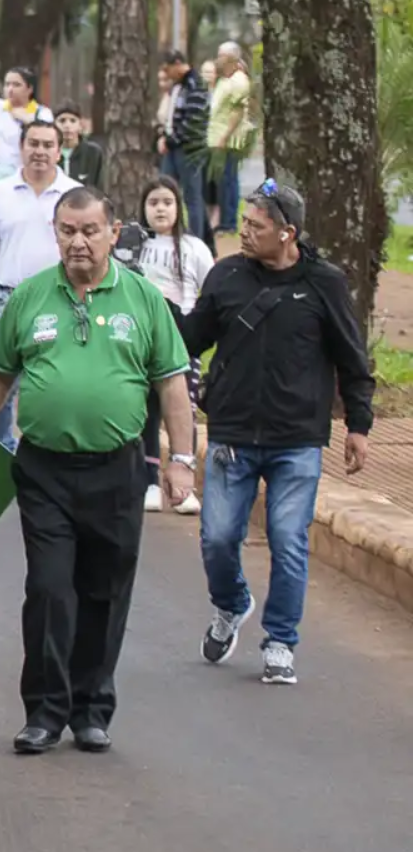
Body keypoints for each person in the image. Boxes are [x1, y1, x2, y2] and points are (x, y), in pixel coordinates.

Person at [0, 186, 196, 755]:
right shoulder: (32, 297)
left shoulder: (142, 299)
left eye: (90, 230)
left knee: (104, 591)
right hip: (44, 471)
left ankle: (92, 709)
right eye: (67, 230)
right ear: (55, 233)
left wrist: (180, 461)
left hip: (117, 470)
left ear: (114, 232)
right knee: (48, 588)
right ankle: (44, 711)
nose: (78, 241)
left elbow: (172, 386)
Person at [180, 180, 373, 687]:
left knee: (289, 541)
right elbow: (190, 337)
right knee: (219, 538)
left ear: (287, 233)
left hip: (297, 439)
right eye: (244, 222)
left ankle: (281, 641)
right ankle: (231, 605)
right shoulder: (226, 277)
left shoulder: (324, 284)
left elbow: (353, 358)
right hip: (232, 435)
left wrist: (359, 425)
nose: (245, 232)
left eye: (256, 226)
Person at [0, 120, 79, 447]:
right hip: (8, 297)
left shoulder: (75, 195)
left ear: (59, 150)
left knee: (56, 378)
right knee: (1, 381)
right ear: (21, 148)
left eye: (48, 145)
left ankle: (49, 445)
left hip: (61, 298)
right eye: (33, 143)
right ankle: (0, 448)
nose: (40, 151)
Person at [120, 176, 214, 514]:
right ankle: (149, 481)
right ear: (143, 208)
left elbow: (212, 293)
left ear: (179, 207)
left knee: (183, 411)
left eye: (167, 202)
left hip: (182, 344)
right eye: (154, 203)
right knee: (145, 415)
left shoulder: (195, 248)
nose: (160, 208)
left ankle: (184, 483)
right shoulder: (131, 247)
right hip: (140, 344)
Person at [158, 49, 211, 243]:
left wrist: (171, 140)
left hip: (189, 150)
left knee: (192, 197)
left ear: (178, 63)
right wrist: (164, 136)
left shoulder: (196, 85)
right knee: (164, 188)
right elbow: (171, 116)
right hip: (173, 148)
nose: (167, 73)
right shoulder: (177, 86)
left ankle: (197, 240)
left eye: (168, 68)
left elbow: (193, 121)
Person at [205, 41, 256, 237]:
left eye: (222, 55)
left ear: (232, 58)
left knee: (228, 181)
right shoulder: (225, 80)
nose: (218, 59)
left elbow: (236, 112)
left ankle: (229, 223)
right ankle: (224, 221)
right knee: (222, 181)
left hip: (229, 141)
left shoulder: (239, 80)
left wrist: (224, 137)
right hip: (217, 138)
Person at [55, 105, 104, 188]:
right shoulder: (51, 152)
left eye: (73, 121)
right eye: (62, 121)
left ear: (80, 125)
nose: (67, 125)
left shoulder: (93, 152)